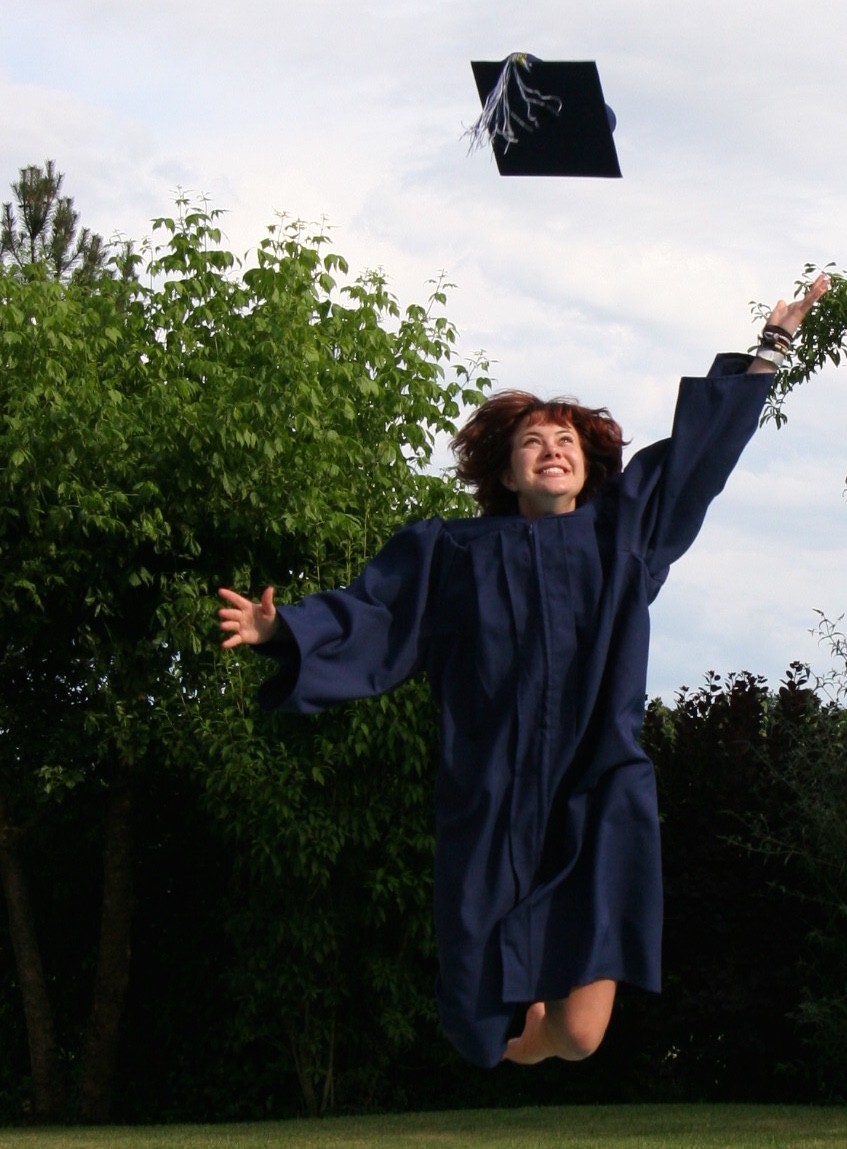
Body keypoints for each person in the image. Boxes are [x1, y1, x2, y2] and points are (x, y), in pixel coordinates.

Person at [218, 274, 829, 1069]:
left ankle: (542, 1039)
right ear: (506, 476)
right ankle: (515, 1039)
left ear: (588, 468)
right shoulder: (454, 555)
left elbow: (693, 464)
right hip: (493, 795)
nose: (552, 449)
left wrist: (766, 353)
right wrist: (282, 630)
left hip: (597, 784)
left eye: (567, 441)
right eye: (533, 442)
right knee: (477, 1032)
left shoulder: (626, 537)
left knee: (578, 1035)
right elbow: (376, 614)